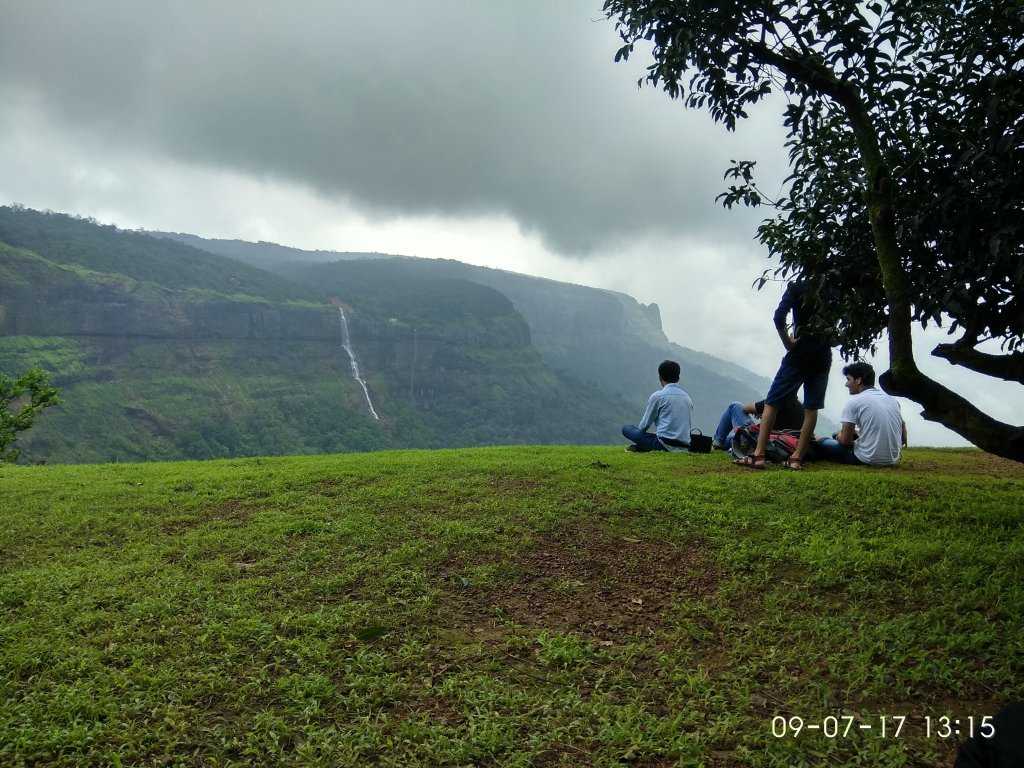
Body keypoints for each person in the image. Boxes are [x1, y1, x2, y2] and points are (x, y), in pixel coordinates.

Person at [735, 279, 832, 470]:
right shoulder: (833, 286)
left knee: (772, 402)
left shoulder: (798, 286)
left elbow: (779, 317)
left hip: (799, 352)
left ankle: (758, 454)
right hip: (822, 354)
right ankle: (796, 459)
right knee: (811, 408)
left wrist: (788, 342)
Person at [815, 361, 907, 466]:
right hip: (893, 460)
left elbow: (845, 441)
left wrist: (838, 436)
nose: (846, 384)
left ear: (858, 380)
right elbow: (903, 429)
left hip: (866, 459)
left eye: (848, 379)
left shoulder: (854, 402)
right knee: (848, 434)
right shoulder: (892, 400)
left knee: (821, 440)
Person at [622, 360, 694, 452]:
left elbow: (643, 426)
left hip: (664, 444)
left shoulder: (658, 396)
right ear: (678, 378)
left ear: (660, 377)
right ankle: (644, 447)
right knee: (652, 436)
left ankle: (644, 447)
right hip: (685, 445)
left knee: (627, 429)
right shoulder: (687, 398)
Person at [713, 393, 804, 451]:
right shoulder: (801, 409)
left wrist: (760, 411)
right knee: (730, 438)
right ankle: (719, 443)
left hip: (756, 441)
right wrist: (764, 414)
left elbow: (746, 408)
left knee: (735, 406)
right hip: (778, 446)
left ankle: (717, 442)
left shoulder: (775, 401)